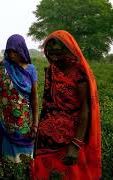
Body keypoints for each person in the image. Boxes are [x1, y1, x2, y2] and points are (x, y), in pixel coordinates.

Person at [31, 30, 101, 179]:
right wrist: (38, 140)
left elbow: (85, 110)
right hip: (46, 142)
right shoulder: (51, 71)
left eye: (58, 52)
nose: (54, 57)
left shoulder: (78, 74)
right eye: (50, 52)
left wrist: (75, 145)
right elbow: (47, 107)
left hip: (69, 141)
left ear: (69, 50)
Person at [0, 34, 39, 178]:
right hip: (5, 125)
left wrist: (35, 124)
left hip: (25, 126)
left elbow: (34, 98)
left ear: (21, 50)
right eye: (9, 51)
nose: (11, 54)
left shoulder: (31, 70)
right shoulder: (0, 68)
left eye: (14, 51)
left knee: (26, 166)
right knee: (8, 167)